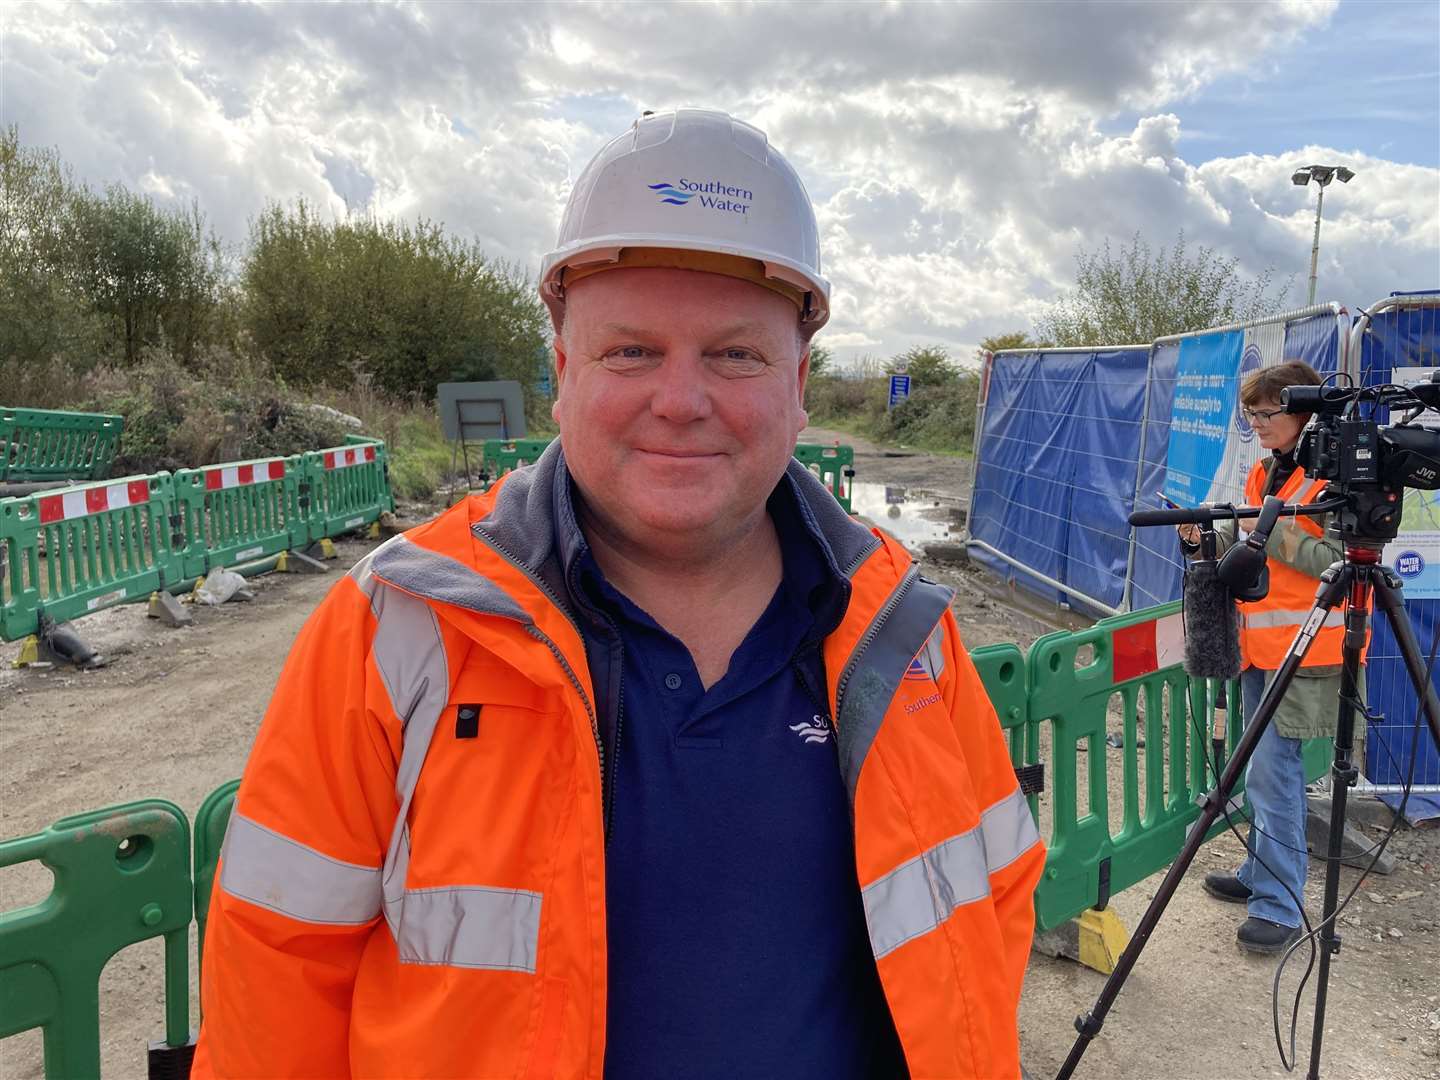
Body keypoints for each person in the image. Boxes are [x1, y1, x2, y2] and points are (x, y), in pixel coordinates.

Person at [193, 108, 1044, 1079]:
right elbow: (274, 986)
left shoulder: (906, 636)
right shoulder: (398, 629)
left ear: (800, 383)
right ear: (561, 371)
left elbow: (992, 908)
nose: (680, 400)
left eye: (734, 354)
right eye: (631, 351)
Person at [1179, 360, 1360, 955]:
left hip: (1310, 651)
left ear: (1302, 413)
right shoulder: (1266, 472)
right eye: (1250, 414)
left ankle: (1279, 908)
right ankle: (1261, 876)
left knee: (1275, 777)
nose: (1255, 424)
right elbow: (1253, 552)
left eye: (1265, 413)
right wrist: (1212, 539)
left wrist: (1270, 527)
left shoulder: (1330, 481)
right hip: (1263, 649)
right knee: (1258, 769)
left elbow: (1336, 559)